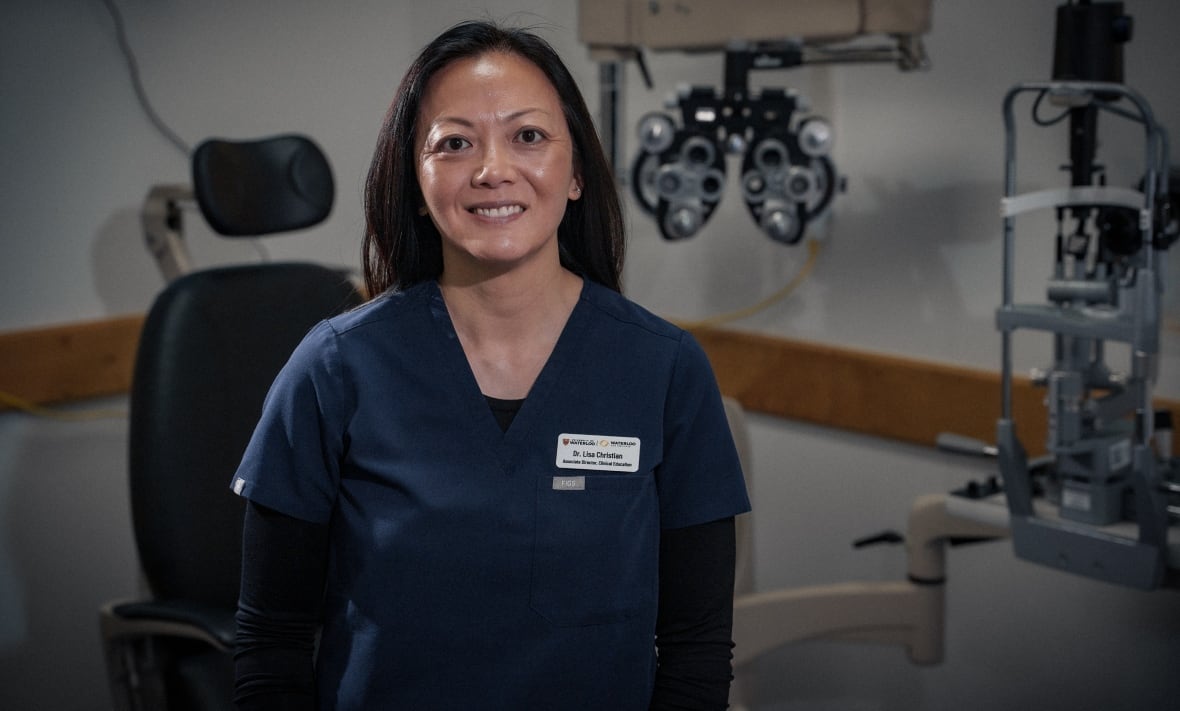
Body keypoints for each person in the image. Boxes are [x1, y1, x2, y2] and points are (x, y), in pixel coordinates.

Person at [231, 20, 750, 711]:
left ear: (576, 175)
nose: (492, 169)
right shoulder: (334, 368)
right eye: (454, 143)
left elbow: (697, 645)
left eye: (528, 136)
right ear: (417, 183)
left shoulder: (664, 370)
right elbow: (271, 643)